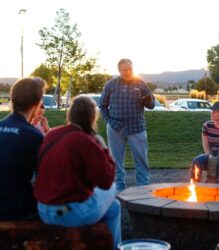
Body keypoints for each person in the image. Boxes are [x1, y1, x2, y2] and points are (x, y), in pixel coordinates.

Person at [34, 95, 121, 249]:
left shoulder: (53, 134)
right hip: (67, 215)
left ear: (70, 115)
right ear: (92, 118)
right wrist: (105, 150)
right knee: (113, 189)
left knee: (113, 207)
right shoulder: (84, 140)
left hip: (43, 209)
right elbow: (106, 181)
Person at [99, 58, 155, 192]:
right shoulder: (110, 85)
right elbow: (102, 105)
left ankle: (143, 188)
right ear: (119, 70)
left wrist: (148, 100)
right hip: (115, 128)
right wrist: (109, 121)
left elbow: (151, 105)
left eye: (130, 69)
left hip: (137, 128)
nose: (128, 72)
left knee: (141, 160)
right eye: (125, 70)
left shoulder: (141, 84)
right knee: (116, 161)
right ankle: (119, 189)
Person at [0, 77, 46, 220]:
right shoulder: (34, 136)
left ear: (12, 100)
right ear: (37, 104)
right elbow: (43, 180)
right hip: (16, 210)